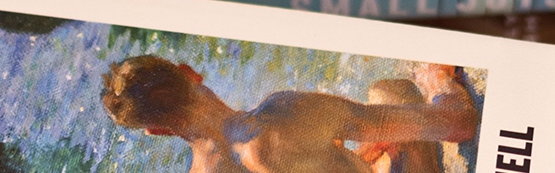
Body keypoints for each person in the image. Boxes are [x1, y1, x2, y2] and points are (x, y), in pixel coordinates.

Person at [100, 54, 478, 173]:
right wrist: (439, 81)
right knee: (389, 91)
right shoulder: (282, 113)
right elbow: (460, 125)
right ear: (189, 72)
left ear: (156, 130)